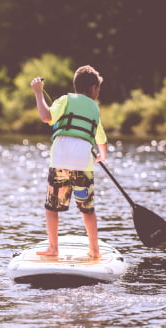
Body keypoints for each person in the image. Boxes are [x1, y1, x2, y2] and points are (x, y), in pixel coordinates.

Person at [30, 65, 107, 258]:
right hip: (83, 164)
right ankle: (95, 250)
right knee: (87, 209)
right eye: (98, 88)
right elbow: (101, 139)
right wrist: (102, 155)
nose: (98, 92)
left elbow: (46, 116)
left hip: (60, 161)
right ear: (92, 88)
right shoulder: (95, 109)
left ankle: (53, 248)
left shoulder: (65, 99)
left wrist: (38, 93)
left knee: (52, 207)